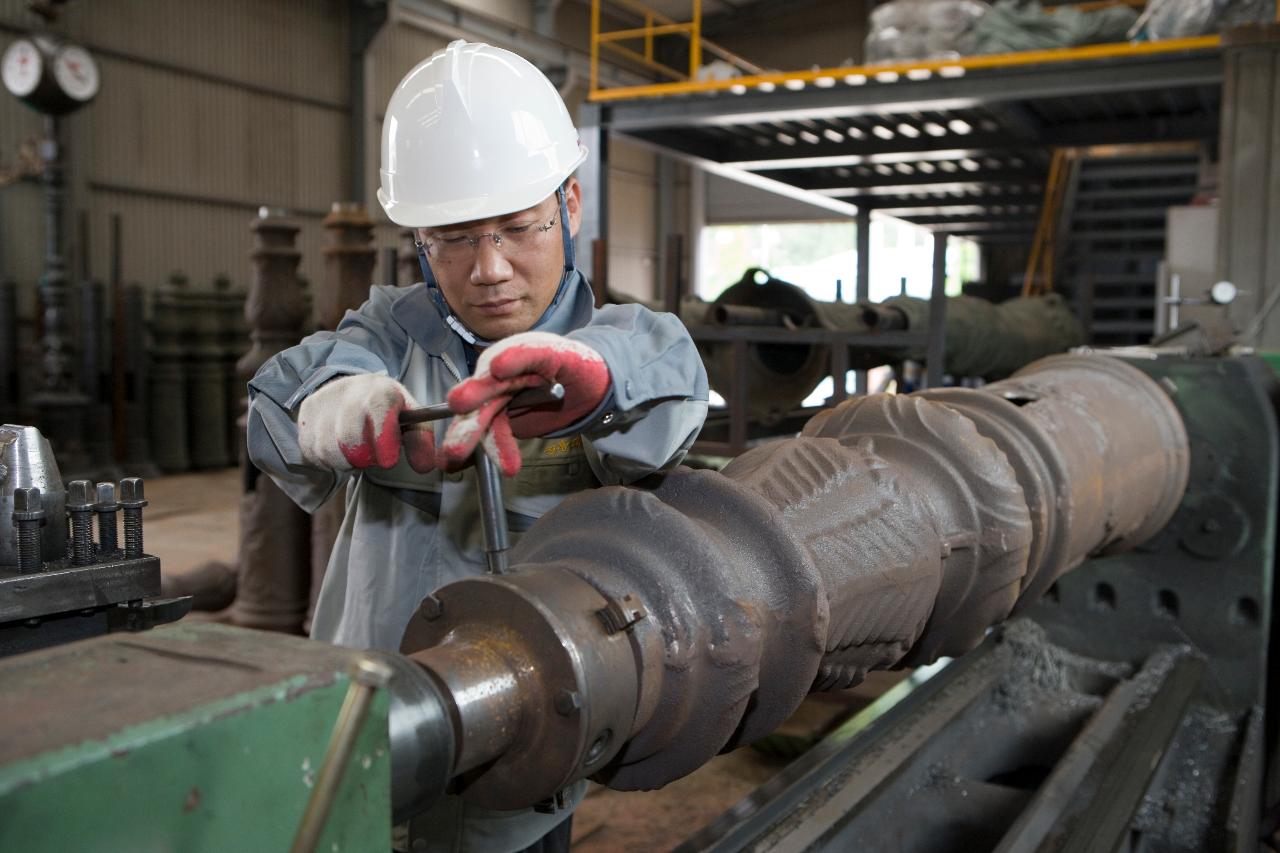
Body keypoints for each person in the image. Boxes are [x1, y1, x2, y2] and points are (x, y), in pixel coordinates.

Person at [245, 40, 709, 853]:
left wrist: (591, 383)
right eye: (453, 238)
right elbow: (277, 401)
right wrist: (330, 398)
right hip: (365, 729)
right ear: (419, 238)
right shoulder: (388, 333)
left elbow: (668, 381)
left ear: (569, 203)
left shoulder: (619, 342)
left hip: (521, 755)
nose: (489, 268)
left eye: (517, 228)